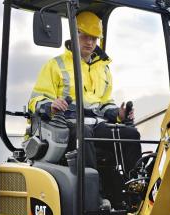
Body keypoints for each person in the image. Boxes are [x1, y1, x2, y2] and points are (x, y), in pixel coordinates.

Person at [27, 11, 134, 169]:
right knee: (83, 132)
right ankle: (90, 185)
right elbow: (35, 100)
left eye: (94, 38)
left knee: (130, 134)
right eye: (85, 36)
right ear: (74, 34)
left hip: (95, 126)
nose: (90, 42)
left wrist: (119, 114)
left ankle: (132, 187)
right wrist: (51, 105)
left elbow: (104, 103)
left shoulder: (103, 70)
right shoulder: (55, 65)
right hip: (65, 126)